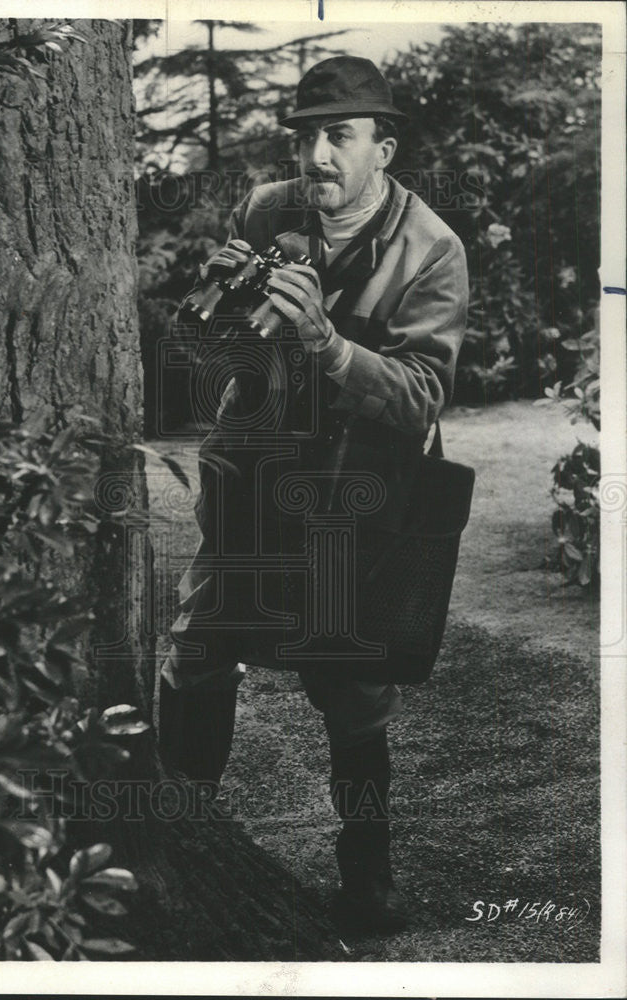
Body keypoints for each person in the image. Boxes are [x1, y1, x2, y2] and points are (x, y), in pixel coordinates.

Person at [157, 55, 469, 934]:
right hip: (253, 475)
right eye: (306, 137)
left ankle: (369, 880)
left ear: (384, 147)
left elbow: (420, 394)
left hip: (352, 492)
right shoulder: (267, 211)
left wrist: (326, 341)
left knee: (351, 683)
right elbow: (218, 360)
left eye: (339, 135)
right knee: (198, 648)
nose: (318, 156)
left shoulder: (431, 249)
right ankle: (188, 848)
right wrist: (213, 313)